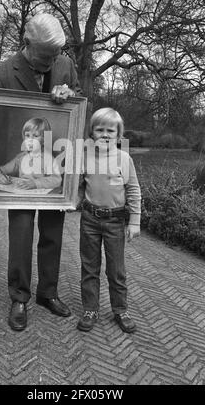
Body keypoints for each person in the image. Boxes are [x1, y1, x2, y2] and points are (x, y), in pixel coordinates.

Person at [0, 12, 82, 331]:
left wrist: (71, 95)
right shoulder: (2, 74)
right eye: (47, 55)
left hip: (57, 168)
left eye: (56, 54)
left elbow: (81, 107)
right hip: (23, 180)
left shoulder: (66, 65)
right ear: (27, 44)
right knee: (22, 233)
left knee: (53, 235)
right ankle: (19, 297)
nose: (53, 60)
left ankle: (48, 293)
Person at [76, 108, 141, 333]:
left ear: (118, 134)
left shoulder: (124, 158)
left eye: (110, 130)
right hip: (89, 220)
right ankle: (90, 309)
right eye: (99, 129)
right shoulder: (85, 156)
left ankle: (120, 309)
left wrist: (135, 221)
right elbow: (80, 186)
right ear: (92, 133)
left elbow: (133, 190)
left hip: (115, 222)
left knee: (116, 269)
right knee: (89, 266)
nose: (105, 134)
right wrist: (69, 202)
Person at [0, 117, 62, 191]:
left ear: (44, 140)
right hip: (21, 192)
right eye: (27, 135)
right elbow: (2, 169)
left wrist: (35, 183)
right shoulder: (20, 157)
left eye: (35, 136)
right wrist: (0, 176)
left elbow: (57, 180)